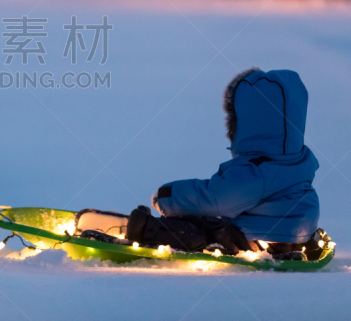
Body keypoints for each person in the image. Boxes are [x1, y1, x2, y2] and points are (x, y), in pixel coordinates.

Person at [125, 69, 322, 258]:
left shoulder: (259, 171)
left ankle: (147, 230)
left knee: (206, 230)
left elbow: (215, 199)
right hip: (297, 235)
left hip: (263, 241)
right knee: (216, 220)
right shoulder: (299, 160)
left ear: (248, 123)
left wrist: (167, 196)